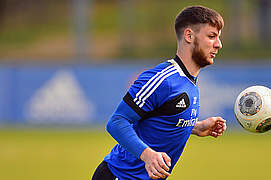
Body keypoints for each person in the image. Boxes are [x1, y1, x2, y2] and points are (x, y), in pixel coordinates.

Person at [92, 5, 227, 180]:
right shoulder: (162, 79)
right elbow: (117, 122)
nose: (219, 44)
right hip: (120, 176)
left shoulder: (189, 81)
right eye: (211, 36)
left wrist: (196, 127)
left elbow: (160, 118)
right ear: (189, 36)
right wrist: (148, 155)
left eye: (218, 37)